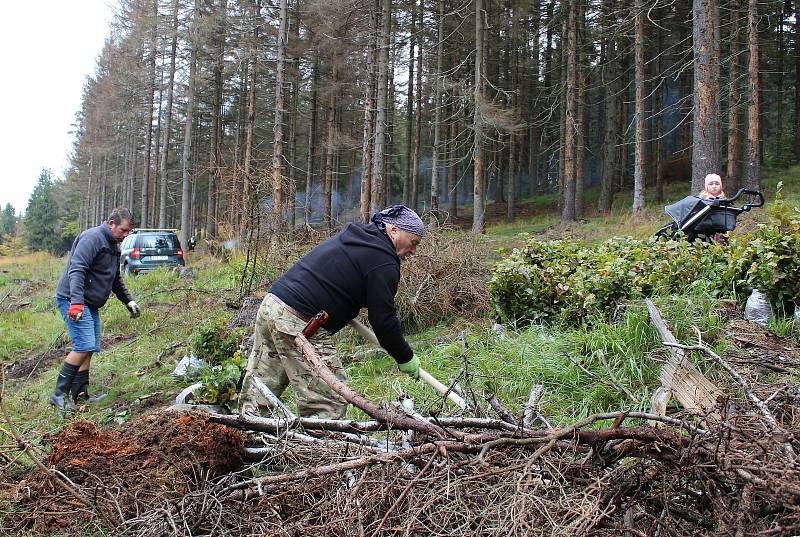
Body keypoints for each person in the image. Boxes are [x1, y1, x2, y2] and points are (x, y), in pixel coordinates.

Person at [239, 205, 424, 419]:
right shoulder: (383, 261)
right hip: (299, 322)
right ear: (393, 230)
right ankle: (316, 451)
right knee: (328, 403)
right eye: (413, 243)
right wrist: (405, 357)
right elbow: (383, 320)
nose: (413, 251)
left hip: (273, 305)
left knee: (261, 389)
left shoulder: (357, 237)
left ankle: (250, 437)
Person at [51, 207, 141, 412]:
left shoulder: (113, 244)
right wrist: (75, 303)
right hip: (73, 298)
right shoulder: (93, 238)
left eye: (128, 232)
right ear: (111, 224)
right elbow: (77, 269)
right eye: (123, 230)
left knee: (90, 347)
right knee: (83, 345)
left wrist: (128, 301)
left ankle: (81, 394)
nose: (125, 235)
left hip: (89, 302)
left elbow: (115, 278)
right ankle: (58, 395)